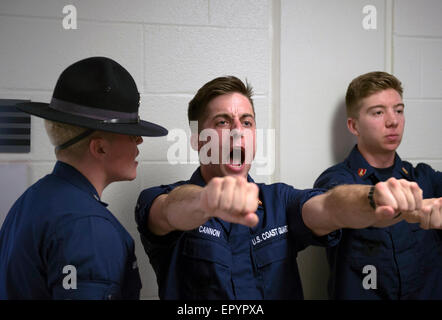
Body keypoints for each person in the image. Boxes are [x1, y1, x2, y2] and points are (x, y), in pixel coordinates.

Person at [135, 75, 435, 300]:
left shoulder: (279, 201)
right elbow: (170, 210)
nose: (238, 131)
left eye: (247, 122)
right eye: (223, 122)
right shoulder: (161, 198)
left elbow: (329, 206)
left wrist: (372, 198)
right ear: (198, 139)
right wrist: (206, 201)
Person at [0, 57, 168, 299]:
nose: (139, 141)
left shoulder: (33, 199)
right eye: (131, 135)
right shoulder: (88, 227)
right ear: (99, 148)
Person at [314, 71, 442, 299]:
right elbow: (337, 201)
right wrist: (377, 199)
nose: (393, 121)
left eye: (399, 110)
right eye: (378, 112)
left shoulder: (424, 178)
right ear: (354, 126)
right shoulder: (336, 181)